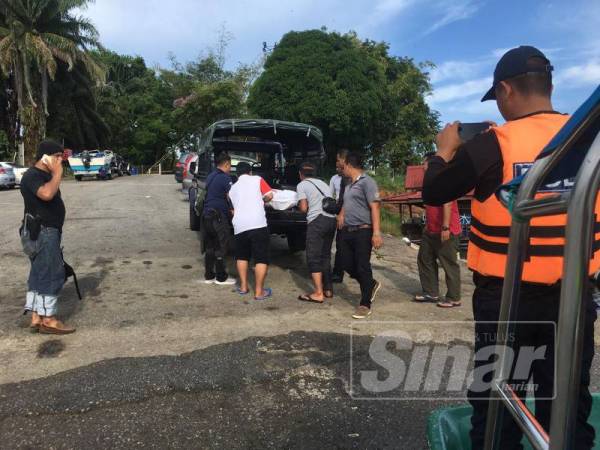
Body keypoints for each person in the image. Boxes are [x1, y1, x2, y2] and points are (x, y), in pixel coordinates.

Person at [423, 46, 600, 450]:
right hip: (573, 297)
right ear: (549, 86)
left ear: (505, 90)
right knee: (567, 401)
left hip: (506, 301)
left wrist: (445, 149)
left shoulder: (491, 144)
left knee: (499, 400)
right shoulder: (588, 141)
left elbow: (434, 191)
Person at [20, 140, 74, 334]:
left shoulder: (44, 175)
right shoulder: (33, 175)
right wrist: (58, 173)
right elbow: (46, 194)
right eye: (57, 156)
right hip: (43, 232)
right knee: (51, 274)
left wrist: (54, 173)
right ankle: (49, 319)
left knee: (39, 273)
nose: (60, 160)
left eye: (61, 156)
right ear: (45, 157)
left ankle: (36, 316)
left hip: (45, 231)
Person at [338, 151, 383, 319]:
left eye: (344, 167)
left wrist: (376, 232)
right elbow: (347, 202)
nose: (342, 170)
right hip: (348, 230)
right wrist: (341, 214)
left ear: (349, 165)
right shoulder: (349, 185)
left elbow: (375, 207)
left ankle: (365, 304)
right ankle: (370, 283)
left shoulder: (368, 182)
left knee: (363, 266)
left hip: (363, 230)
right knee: (345, 262)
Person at [414, 152, 462, 308]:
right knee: (424, 257)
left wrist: (445, 227)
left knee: (448, 263)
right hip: (431, 229)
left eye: (425, 163)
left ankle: (454, 297)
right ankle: (431, 292)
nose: (423, 166)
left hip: (446, 229)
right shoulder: (430, 181)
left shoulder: (443, 179)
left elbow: (447, 203)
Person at [228, 162, 274, 300]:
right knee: (261, 258)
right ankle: (259, 292)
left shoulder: (232, 189)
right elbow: (270, 195)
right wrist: (262, 200)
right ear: (250, 172)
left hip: (239, 225)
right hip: (257, 224)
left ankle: (243, 287)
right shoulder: (257, 179)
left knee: (242, 256)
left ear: (237, 174)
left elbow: (233, 210)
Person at [296, 162, 337, 303]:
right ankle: (328, 289)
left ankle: (318, 293)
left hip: (317, 221)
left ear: (300, 174)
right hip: (331, 221)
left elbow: (303, 208)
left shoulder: (302, 185)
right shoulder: (323, 184)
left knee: (313, 256)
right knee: (325, 255)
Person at [202, 152, 235, 285]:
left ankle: (209, 274)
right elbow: (231, 196)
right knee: (221, 245)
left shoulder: (211, 176)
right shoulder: (225, 178)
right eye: (230, 166)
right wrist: (234, 209)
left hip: (206, 215)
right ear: (226, 164)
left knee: (210, 246)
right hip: (218, 216)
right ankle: (221, 276)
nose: (230, 168)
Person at [330, 149, 350, 283]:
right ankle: (338, 273)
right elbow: (331, 196)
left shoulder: (352, 178)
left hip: (350, 215)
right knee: (341, 244)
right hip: (340, 212)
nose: (337, 163)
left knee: (349, 245)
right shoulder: (335, 179)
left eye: (338, 160)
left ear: (344, 160)